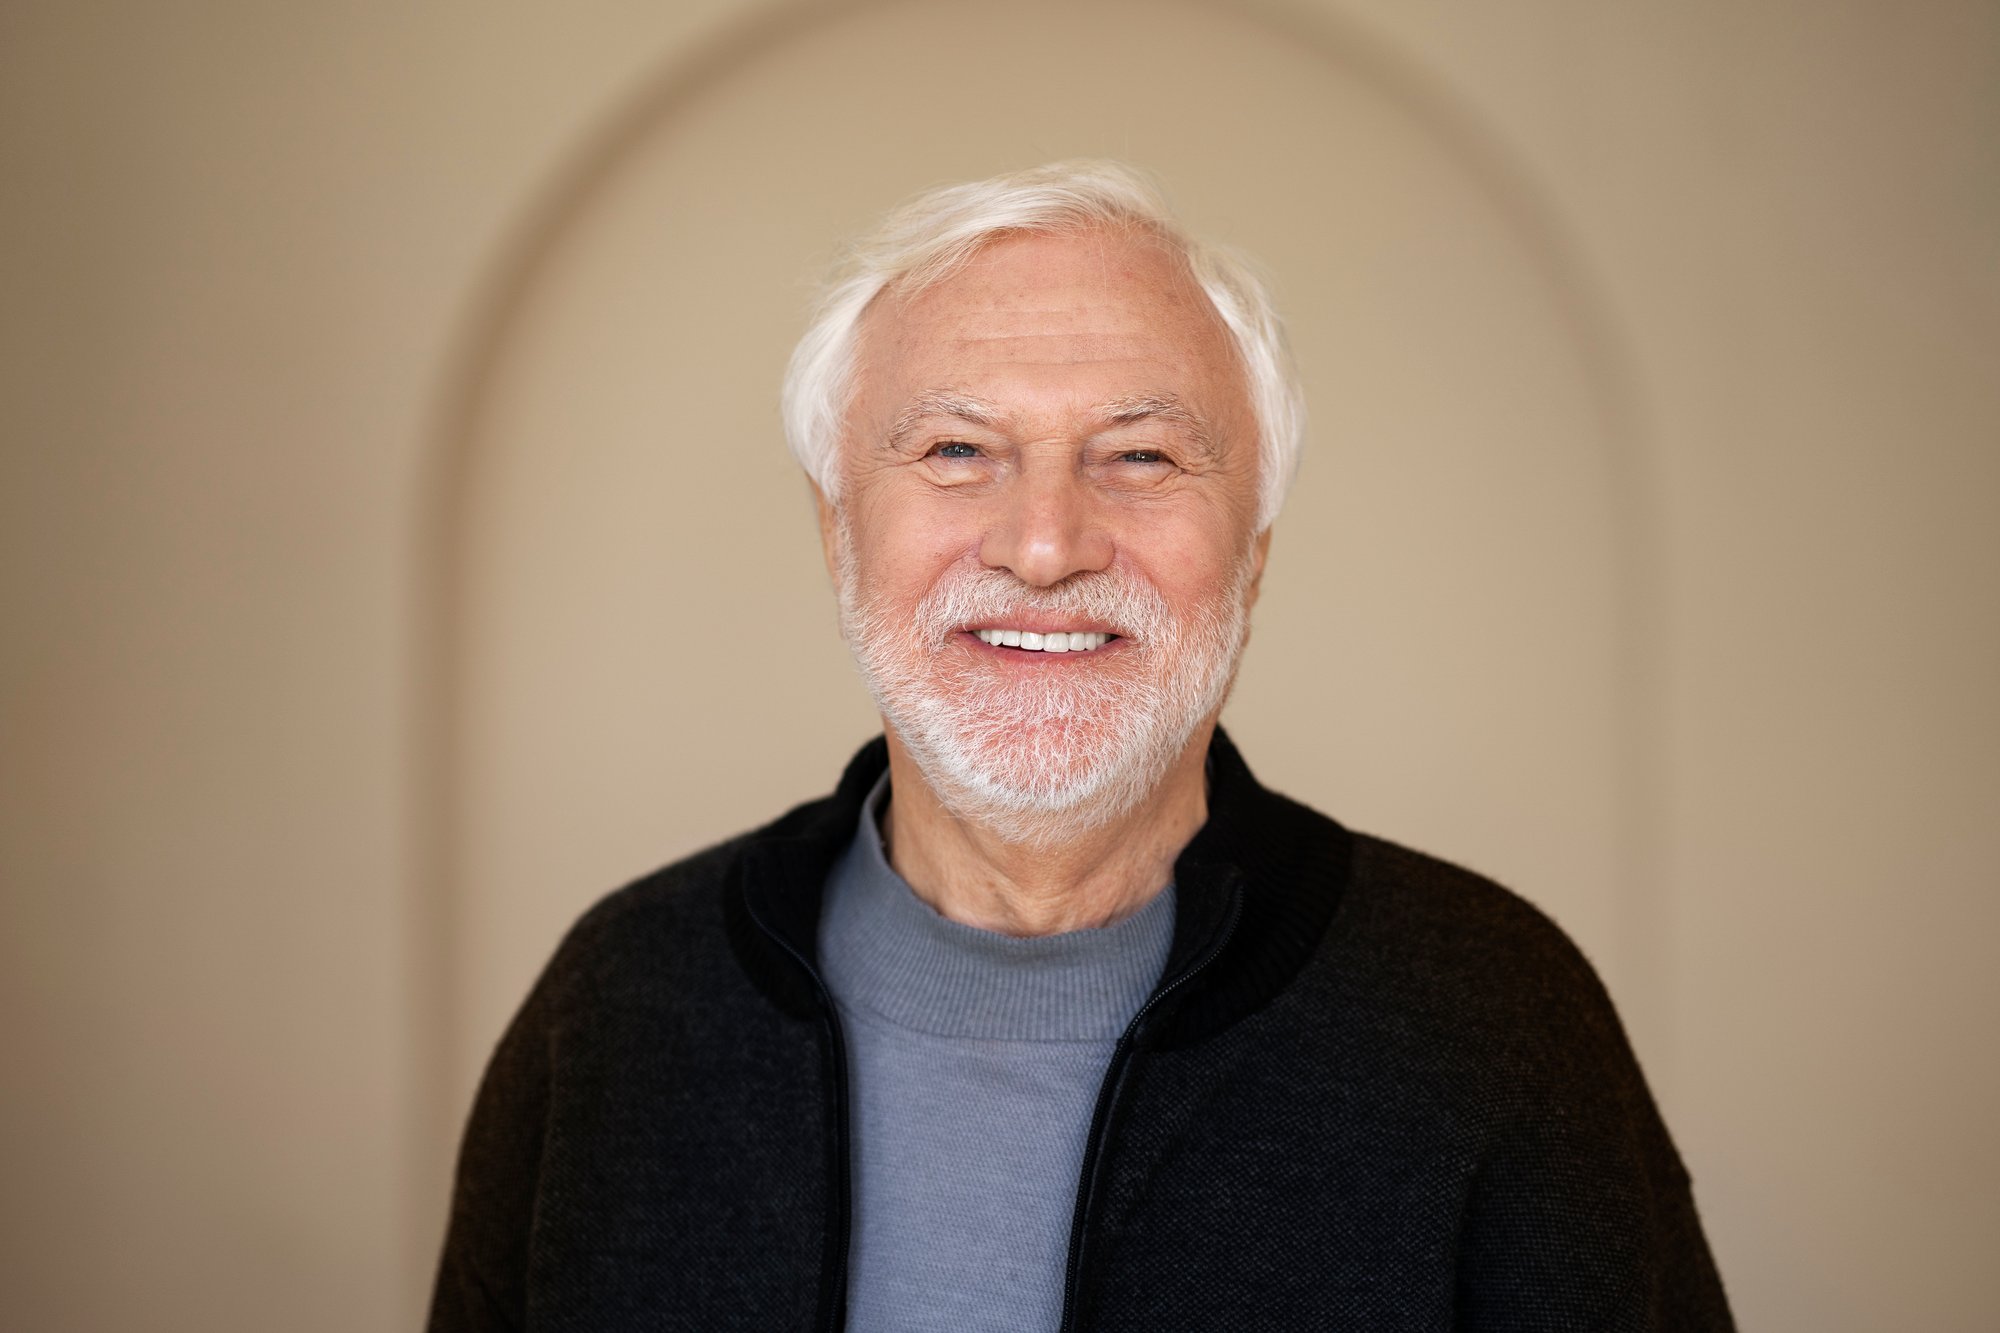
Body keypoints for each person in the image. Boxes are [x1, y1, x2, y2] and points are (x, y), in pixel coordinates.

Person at [429, 161, 1733, 1331]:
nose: (1044, 543)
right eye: (956, 449)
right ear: (838, 533)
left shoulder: (1484, 1013)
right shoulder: (624, 1003)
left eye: (1143, 454)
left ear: (1255, 553)